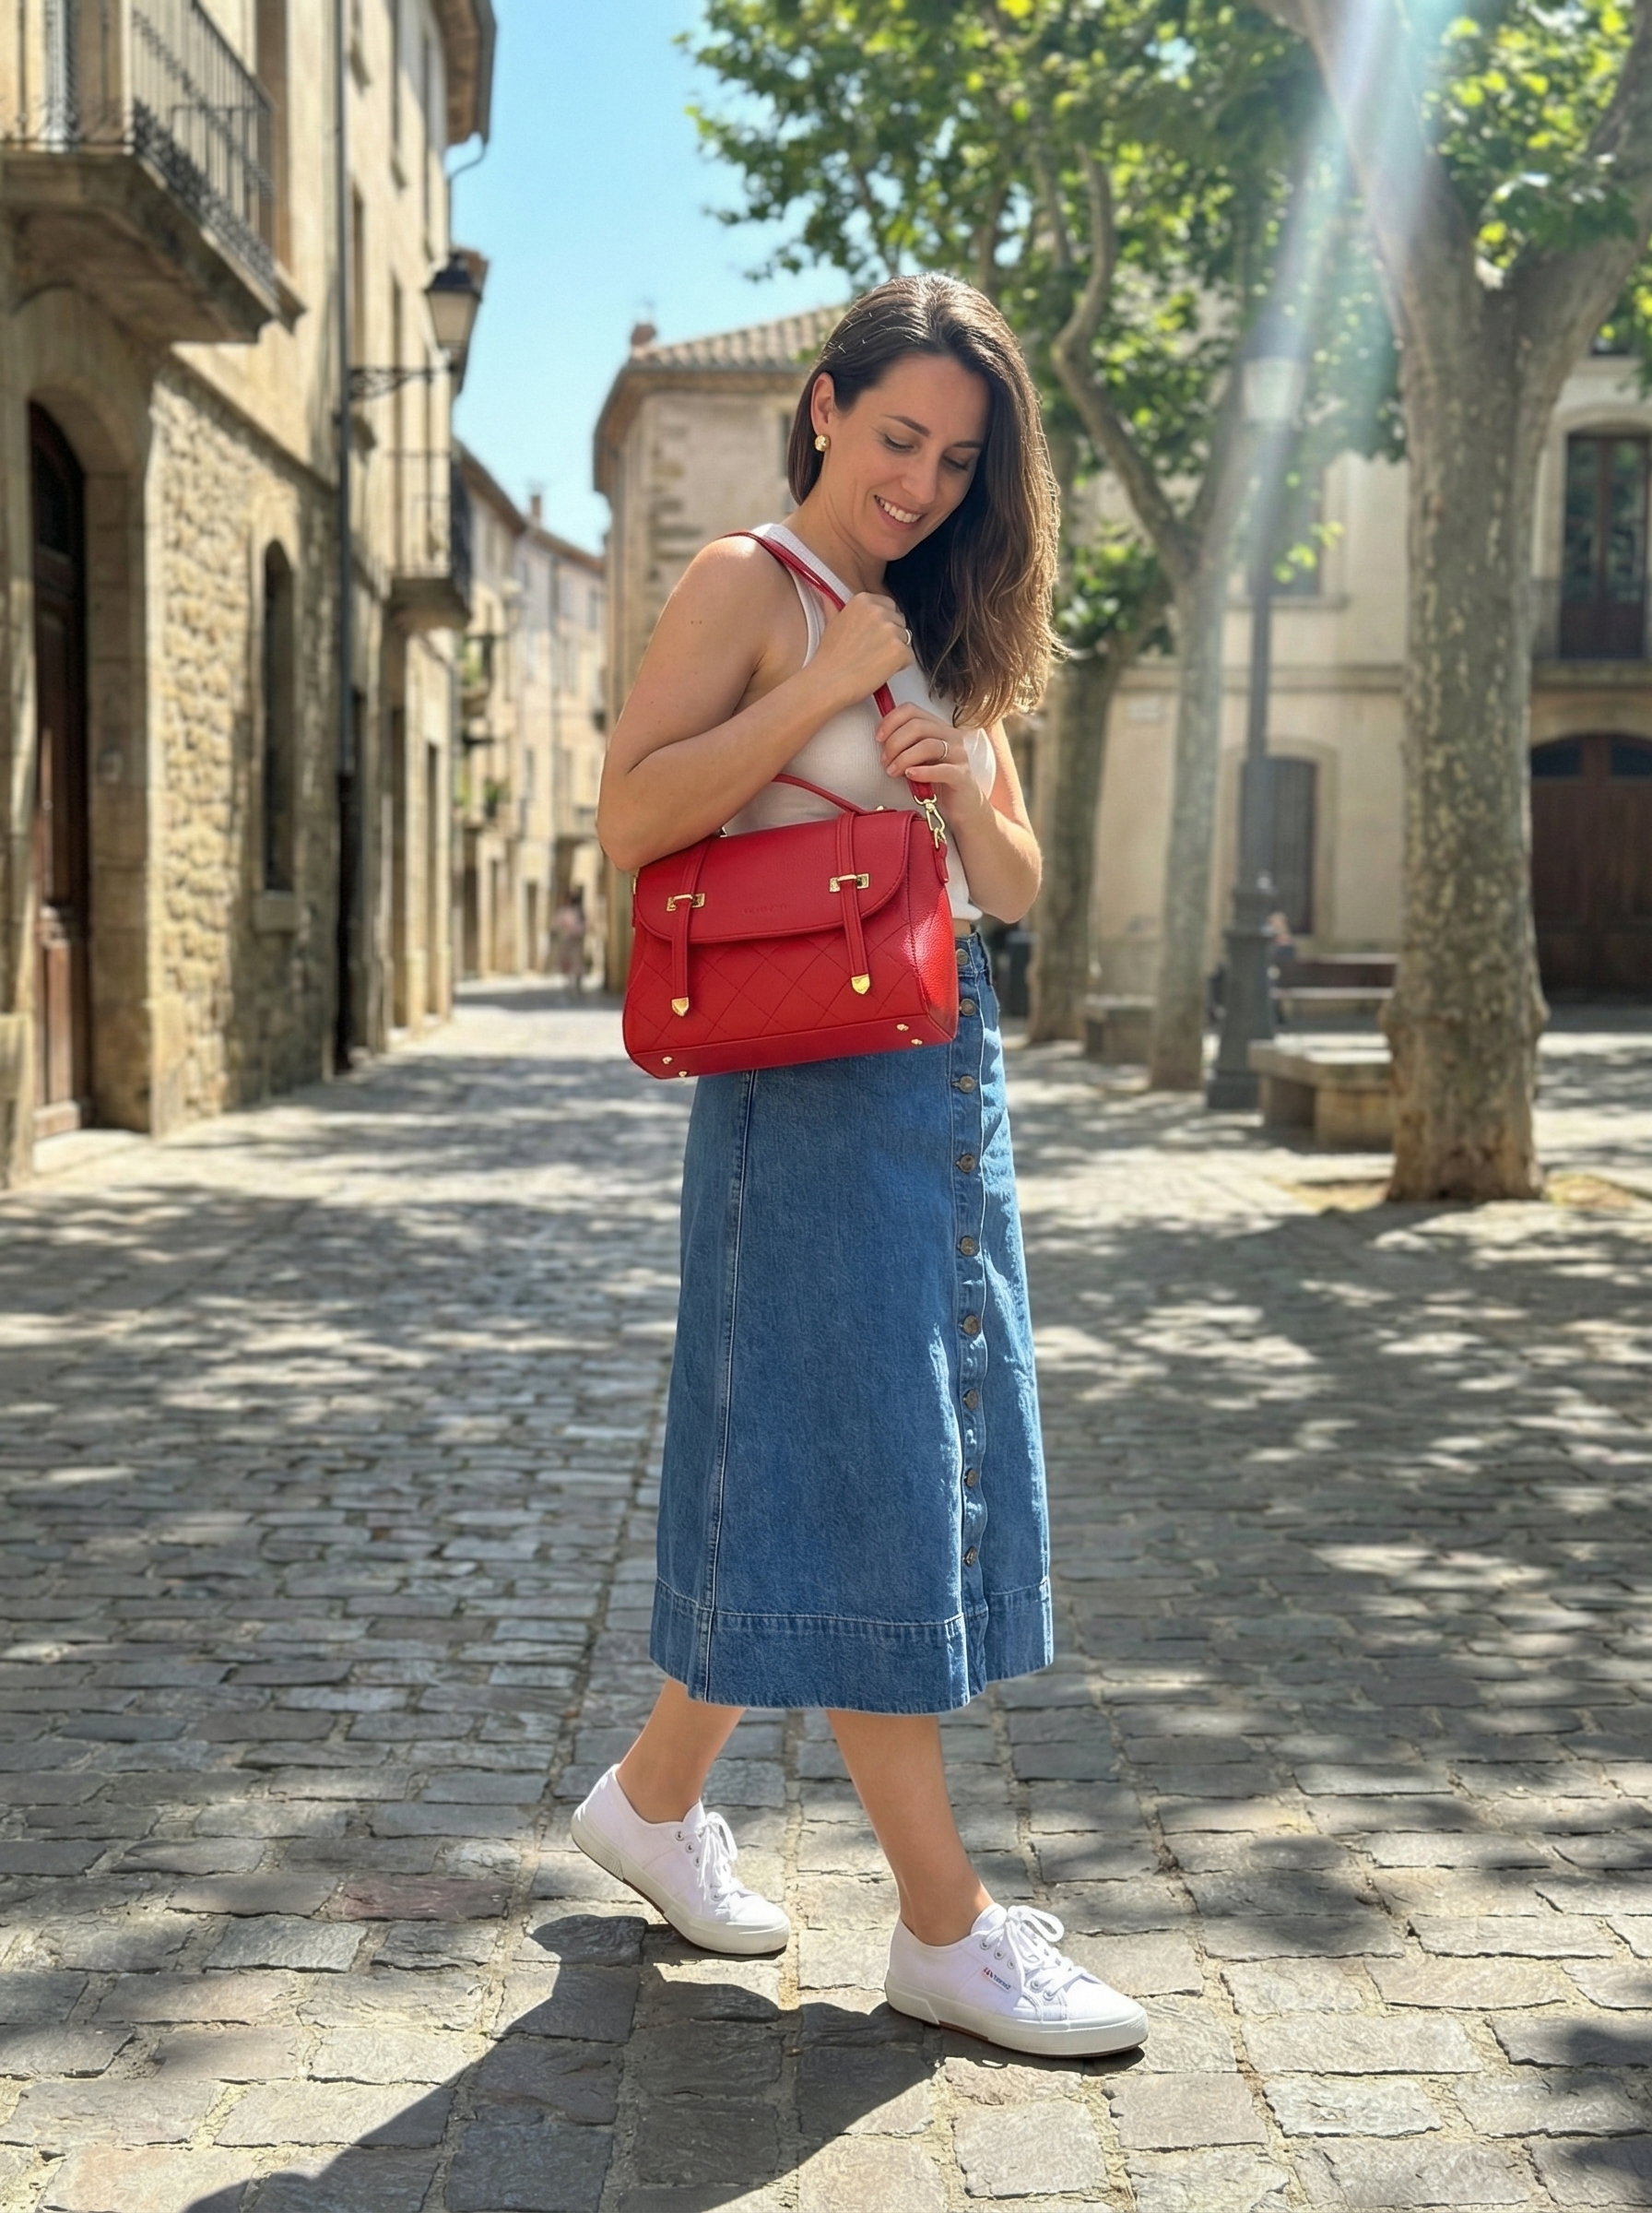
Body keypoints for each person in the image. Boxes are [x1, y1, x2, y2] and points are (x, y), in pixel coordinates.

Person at [580, 275, 1147, 2059]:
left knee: (855, 1449)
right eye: (895, 436)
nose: (917, 480)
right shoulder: (750, 584)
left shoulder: (936, 614)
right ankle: (941, 1920)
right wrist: (816, 689)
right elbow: (630, 817)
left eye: (955, 457)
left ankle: (653, 1807)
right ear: (823, 408)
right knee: (876, 1471)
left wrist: (953, 785)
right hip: (801, 1088)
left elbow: (1020, 884)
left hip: (940, 1073)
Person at [552, 886, 587, 992]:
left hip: (576, 939)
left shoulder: (578, 911)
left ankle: (578, 982)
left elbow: (584, 924)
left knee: (577, 960)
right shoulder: (562, 911)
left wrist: (578, 930)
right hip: (566, 938)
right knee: (566, 961)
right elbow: (556, 924)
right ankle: (568, 981)